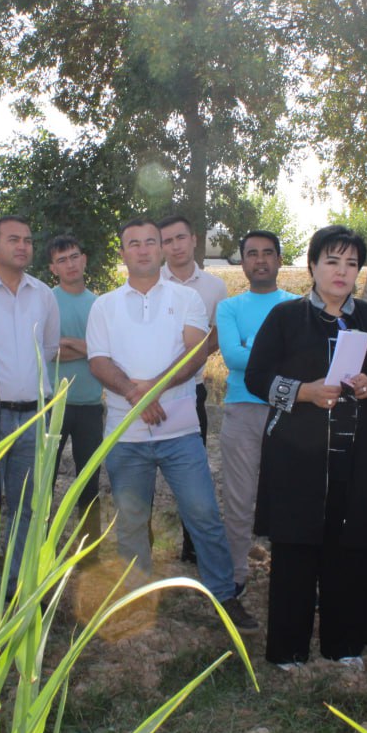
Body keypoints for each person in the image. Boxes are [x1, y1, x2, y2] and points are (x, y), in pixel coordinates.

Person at [85, 218, 257, 632]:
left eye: (150, 242)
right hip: (125, 435)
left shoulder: (185, 298)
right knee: (130, 520)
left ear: (161, 249)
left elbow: (195, 353)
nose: (143, 250)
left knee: (203, 514)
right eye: (134, 244)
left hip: (180, 432)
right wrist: (134, 393)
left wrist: (154, 388)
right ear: (123, 252)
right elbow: (98, 362)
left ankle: (224, 595)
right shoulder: (104, 305)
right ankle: (136, 599)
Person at [244, 225, 367, 669]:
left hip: (358, 454)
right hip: (297, 456)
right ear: (312, 266)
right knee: (294, 549)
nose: (341, 272)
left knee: (350, 548)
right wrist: (304, 392)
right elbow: (257, 377)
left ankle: (344, 644)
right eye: (332, 261)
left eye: (351, 263)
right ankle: (289, 649)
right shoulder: (286, 318)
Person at [0, 216, 60, 595]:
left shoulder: (43, 295)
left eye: (28, 239)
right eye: (13, 239)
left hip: (36, 414)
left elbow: (50, 348)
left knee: (27, 502)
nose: (23, 246)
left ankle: (17, 580)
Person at [214, 230, 296, 594]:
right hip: (242, 409)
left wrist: (254, 348)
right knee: (239, 497)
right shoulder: (229, 307)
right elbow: (232, 357)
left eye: (267, 253)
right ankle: (236, 577)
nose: (260, 260)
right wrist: (278, 354)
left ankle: (290, 575)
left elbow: (304, 362)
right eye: (252, 254)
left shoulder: (299, 307)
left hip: (292, 412)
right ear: (242, 262)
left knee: (291, 496)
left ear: (279, 259)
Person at [158, 214, 227, 564]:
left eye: (180, 238)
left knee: (192, 471)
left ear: (194, 239)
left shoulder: (215, 287)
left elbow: (218, 333)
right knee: (143, 468)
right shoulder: (150, 282)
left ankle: (192, 546)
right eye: (167, 241)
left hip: (192, 392)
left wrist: (192, 360)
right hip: (150, 394)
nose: (175, 246)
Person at [47, 234, 105, 557]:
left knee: (89, 482)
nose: (70, 264)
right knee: (45, 480)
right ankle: (39, 545)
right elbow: (46, 352)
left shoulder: (99, 304)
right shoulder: (46, 300)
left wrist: (67, 342)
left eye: (74, 257)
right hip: (53, 404)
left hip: (90, 406)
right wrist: (83, 347)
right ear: (53, 268)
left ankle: (89, 551)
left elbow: (104, 352)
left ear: (84, 259)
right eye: (62, 260)